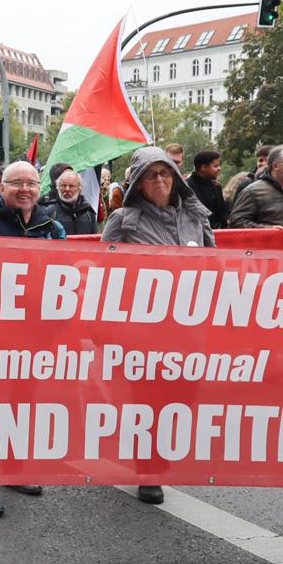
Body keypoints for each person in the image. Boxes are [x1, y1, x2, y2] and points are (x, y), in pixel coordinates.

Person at [102, 146, 215, 504]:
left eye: (165, 173)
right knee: (149, 400)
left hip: (189, 331)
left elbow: (218, 268)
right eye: (151, 174)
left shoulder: (197, 218)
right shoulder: (123, 220)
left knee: (182, 398)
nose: (161, 180)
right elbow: (102, 271)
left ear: (176, 178)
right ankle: (149, 470)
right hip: (144, 333)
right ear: (138, 182)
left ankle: (159, 457)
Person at [0, 161, 66, 515]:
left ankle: (11, 468)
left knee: (23, 401)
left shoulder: (53, 228)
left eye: (32, 183)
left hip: (36, 332)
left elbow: (67, 272)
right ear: (2, 187)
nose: (25, 189)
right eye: (17, 183)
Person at [228, 145, 283, 229]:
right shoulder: (253, 191)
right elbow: (236, 222)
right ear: (275, 166)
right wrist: (268, 229)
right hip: (267, 241)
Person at [45, 169, 99, 235]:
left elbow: (95, 239)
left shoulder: (88, 212)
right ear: (58, 188)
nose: (67, 189)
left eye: (71, 186)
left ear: (80, 189)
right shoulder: (50, 211)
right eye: (63, 185)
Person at [185, 150, 229, 230]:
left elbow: (223, 212)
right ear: (204, 167)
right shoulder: (187, 187)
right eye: (216, 166)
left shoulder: (216, 187)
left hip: (218, 233)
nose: (219, 168)